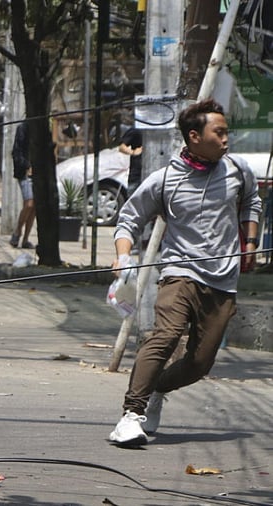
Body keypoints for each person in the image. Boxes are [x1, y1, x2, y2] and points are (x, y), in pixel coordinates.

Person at [107, 99, 261, 446]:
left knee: (200, 362)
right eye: (218, 132)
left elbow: (252, 200)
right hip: (179, 271)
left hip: (223, 278)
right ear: (194, 136)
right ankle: (131, 415)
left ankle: (159, 387)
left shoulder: (237, 169)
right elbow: (129, 219)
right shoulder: (164, 180)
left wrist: (249, 242)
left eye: (226, 132)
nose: (226, 139)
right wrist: (123, 256)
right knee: (165, 334)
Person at [10, 122, 35, 249]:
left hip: (39, 174)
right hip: (25, 172)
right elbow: (16, 152)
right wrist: (26, 166)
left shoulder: (43, 130)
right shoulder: (23, 128)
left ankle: (25, 239)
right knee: (29, 203)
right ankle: (17, 231)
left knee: (34, 208)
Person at [118, 126, 143, 197]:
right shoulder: (137, 129)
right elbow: (122, 147)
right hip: (136, 174)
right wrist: (132, 152)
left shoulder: (160, 129)